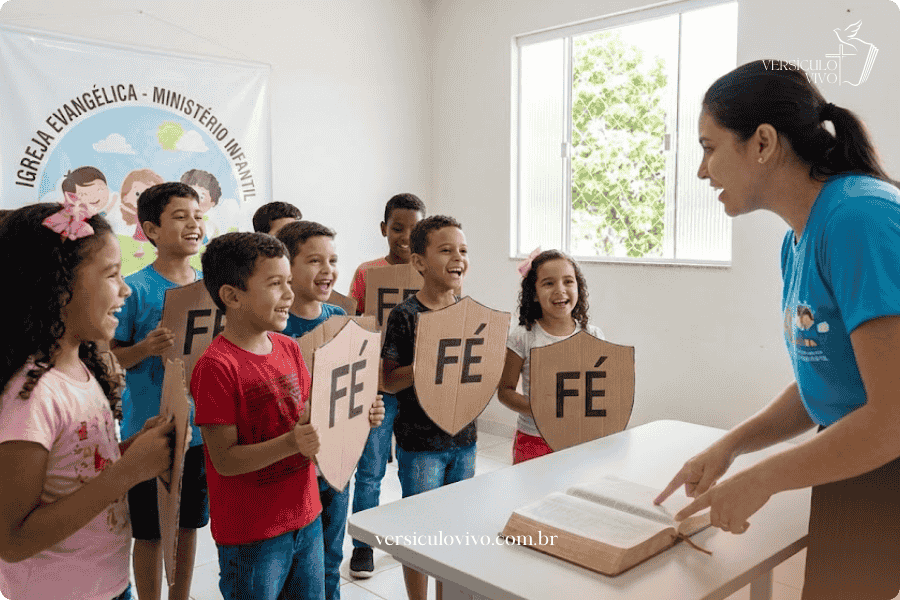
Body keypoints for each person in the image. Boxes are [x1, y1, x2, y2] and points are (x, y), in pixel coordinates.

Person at [654, 59, 900, 600]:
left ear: (762, 143)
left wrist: (764, 478)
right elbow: (828, 379)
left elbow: (891, 418)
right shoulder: (798, 241)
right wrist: (732, 447)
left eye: (709, 146)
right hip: (855, 463)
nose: (701, 171)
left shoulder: (861, 219)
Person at [191, 232, 384, 600]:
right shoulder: (216, 367)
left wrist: (357, 413)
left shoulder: (288, 347)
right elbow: (225, 460)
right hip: (253, 535)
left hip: (307, 516)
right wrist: (291, 443)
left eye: (288, 282)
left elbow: (314, 414)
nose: (289, 294)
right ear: (232, 295)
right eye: (275, 284)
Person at [0, 202, 174, 600]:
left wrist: (131, 452)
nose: (126, 289)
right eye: (112, 274)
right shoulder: (32, 397)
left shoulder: (81, 369)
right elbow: (12, 540)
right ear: (57, 285)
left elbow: (73, 472)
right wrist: (127, 472)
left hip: (107, 584)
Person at [110, 182, 208, 600]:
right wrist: (145, 348)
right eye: (180, 216)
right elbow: (111, 358)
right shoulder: (134, 288)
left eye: (197, 215)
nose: (193, 224)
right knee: (149, 531)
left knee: (187, 524)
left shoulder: (211, 286)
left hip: (199, 430)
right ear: (151, 229)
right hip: (147, 430)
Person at [381, 215, 475, 600]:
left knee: (456, 529)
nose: (458, 258)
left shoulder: (470, 312)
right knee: (420, 530)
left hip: (464, 439)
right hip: (420, 444)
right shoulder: (405, 315)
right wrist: (424, 365)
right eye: (446, 250)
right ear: (419, 262)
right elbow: (387, 380)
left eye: (463, 250)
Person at [346, 192, 425, 578]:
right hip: (377, 382)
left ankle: (409, 540)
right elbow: (354, 322)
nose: (406, 236)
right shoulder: (366, 272)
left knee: (413, 468)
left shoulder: (431, 270)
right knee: (371, 468)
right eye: (397, 227)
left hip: (418, 386)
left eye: (414, 228)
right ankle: (363, 547)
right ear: (384, 229)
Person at [276, 220, 347, 600]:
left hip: (336, 461)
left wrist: (368, 412)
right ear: (287, 266)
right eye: (315, 260)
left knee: (331, 556)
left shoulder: (339, 318)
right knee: (295, 563)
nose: (328, 270)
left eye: (333, 260)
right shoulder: (273, 325)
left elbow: (355, 387)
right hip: (291, 467)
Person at [497, 249, 604, 464]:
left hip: (579, 439)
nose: (560, 290)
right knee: (531, 496)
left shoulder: (592, 335)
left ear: (578, 288)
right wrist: (537, 408)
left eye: (568, 282)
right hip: (534, 440)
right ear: (534, 293)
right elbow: (505, 391)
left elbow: (602, 387)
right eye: (548, 283)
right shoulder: (523, 337)